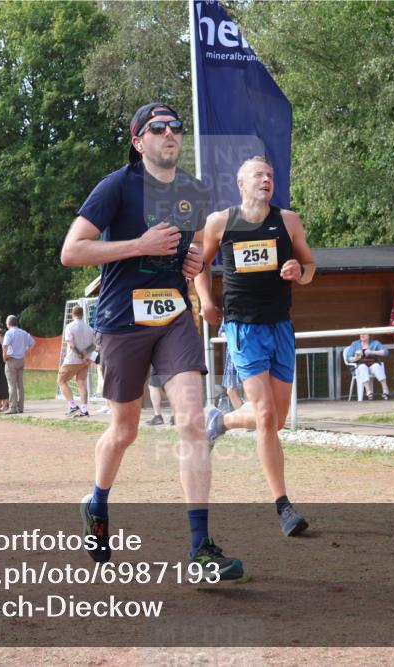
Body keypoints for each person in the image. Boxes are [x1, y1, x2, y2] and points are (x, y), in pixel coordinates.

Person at [61, 101, 242, 579]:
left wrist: (196, 263)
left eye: (176, 127)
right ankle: (97, 504)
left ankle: (200, 549)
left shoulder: (194, 190)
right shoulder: (117, 187)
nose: (170, 134)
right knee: (125, 431)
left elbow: (198, 247)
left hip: (174, 317)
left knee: (192, 421)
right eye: (158, 128)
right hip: (122, 320)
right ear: (139, 141)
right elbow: (71, 250)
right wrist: (138, 246)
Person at [195, 155, 316, 537]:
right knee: (265, 417)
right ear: (241, 184)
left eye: (270, 175)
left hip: (280, 326)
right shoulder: (220, 222)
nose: (266, 179)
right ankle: (284, 506)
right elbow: (200, 264)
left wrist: (299, 272)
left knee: (276, 421)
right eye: (259, 175)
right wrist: (206, 301)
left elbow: (310, 266)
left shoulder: (288, 221)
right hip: (242, 327)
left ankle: (220, 420)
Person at [58, 305, 93, 418]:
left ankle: (73, 406)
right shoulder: (89, 328)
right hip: (85, 361)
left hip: (72, 360)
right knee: (81, 383)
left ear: (72, 314)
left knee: (61, 381)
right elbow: (93, 345)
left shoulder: (70, 326)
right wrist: (85, 355)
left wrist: (80, 355)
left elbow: (71, 345)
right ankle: (84, 409)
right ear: (82, 314)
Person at [2, 315, 35, 415]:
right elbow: (33, 342)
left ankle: (12, 407)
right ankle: (20, 407)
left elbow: (5, 345)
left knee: (11, 385)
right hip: (21, 359)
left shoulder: (9, 333)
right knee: (20, 385)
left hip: (11, 360)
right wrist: (25, 351)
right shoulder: (24, 333)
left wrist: (4, 356)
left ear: (8, 323)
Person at [343, 333, 390, 400]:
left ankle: (385, 389)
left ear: (369, 336)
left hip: (372, 364)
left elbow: (386, 352)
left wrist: (372, 352)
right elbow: (348, 358)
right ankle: (368, 391)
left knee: (376, 366)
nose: (362, 335)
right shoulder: (355, 344)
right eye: (361, 334)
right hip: (360, 365)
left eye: (364, 334)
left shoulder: (375, 343)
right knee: (363, 367)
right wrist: (355, 358)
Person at [219, 324, 244, 411]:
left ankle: (251, 417)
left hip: (248, 352)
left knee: (251, 392)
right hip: (234, 353)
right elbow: (221, 332)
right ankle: (245, 417)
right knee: (231, 391)